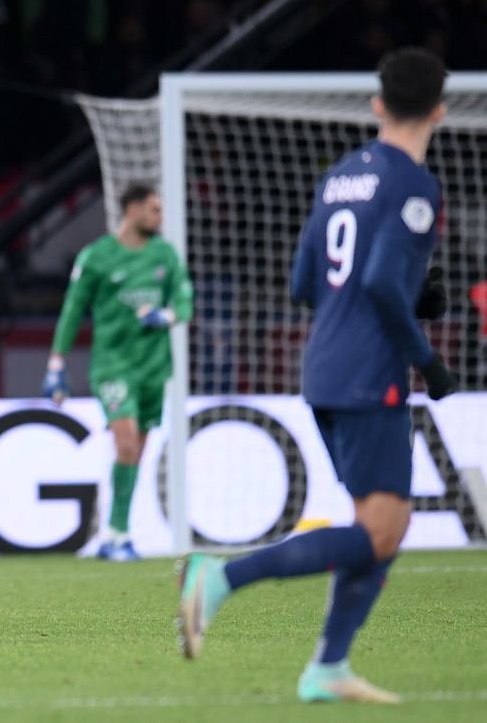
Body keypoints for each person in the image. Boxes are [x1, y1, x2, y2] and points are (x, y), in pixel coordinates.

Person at [177, 48, 457, 703]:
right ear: (441, 111)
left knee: (380, 529)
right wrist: (427, 357)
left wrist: (396, 295)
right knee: (382, 530)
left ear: (377, 104)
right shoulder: (415, 186)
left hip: (324, 363)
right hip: (371, 370)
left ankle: (328, 668)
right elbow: (386, 282)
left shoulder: (338, 177)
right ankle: (219, 580)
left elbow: (306, 282)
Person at [42, 184, 193, 561]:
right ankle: (119, 533)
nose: (160, 216)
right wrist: (56, 362)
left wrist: (167, 315)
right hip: (113, 365)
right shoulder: (97, 257)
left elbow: (185, 301)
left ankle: (113, 532)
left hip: (154, 368)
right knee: (124, 442)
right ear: (133, 210)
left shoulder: (165, 255)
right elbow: (73, 311)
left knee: (135, 452)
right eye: (154, 209)